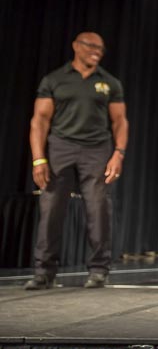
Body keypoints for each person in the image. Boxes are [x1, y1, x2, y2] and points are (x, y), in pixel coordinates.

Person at [25, 32, 129, 290]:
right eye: (91, 46)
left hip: (96, 149)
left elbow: (119, 121)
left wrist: (118, 153)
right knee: (51, 208)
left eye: (101, 49)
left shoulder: (109, 82)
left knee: (98, 208)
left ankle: (98, 269)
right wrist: (38, 159)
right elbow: (40, 120)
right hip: (61, 147)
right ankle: (44, 272)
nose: (97, 51)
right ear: (76, 46)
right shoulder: (55, 79)